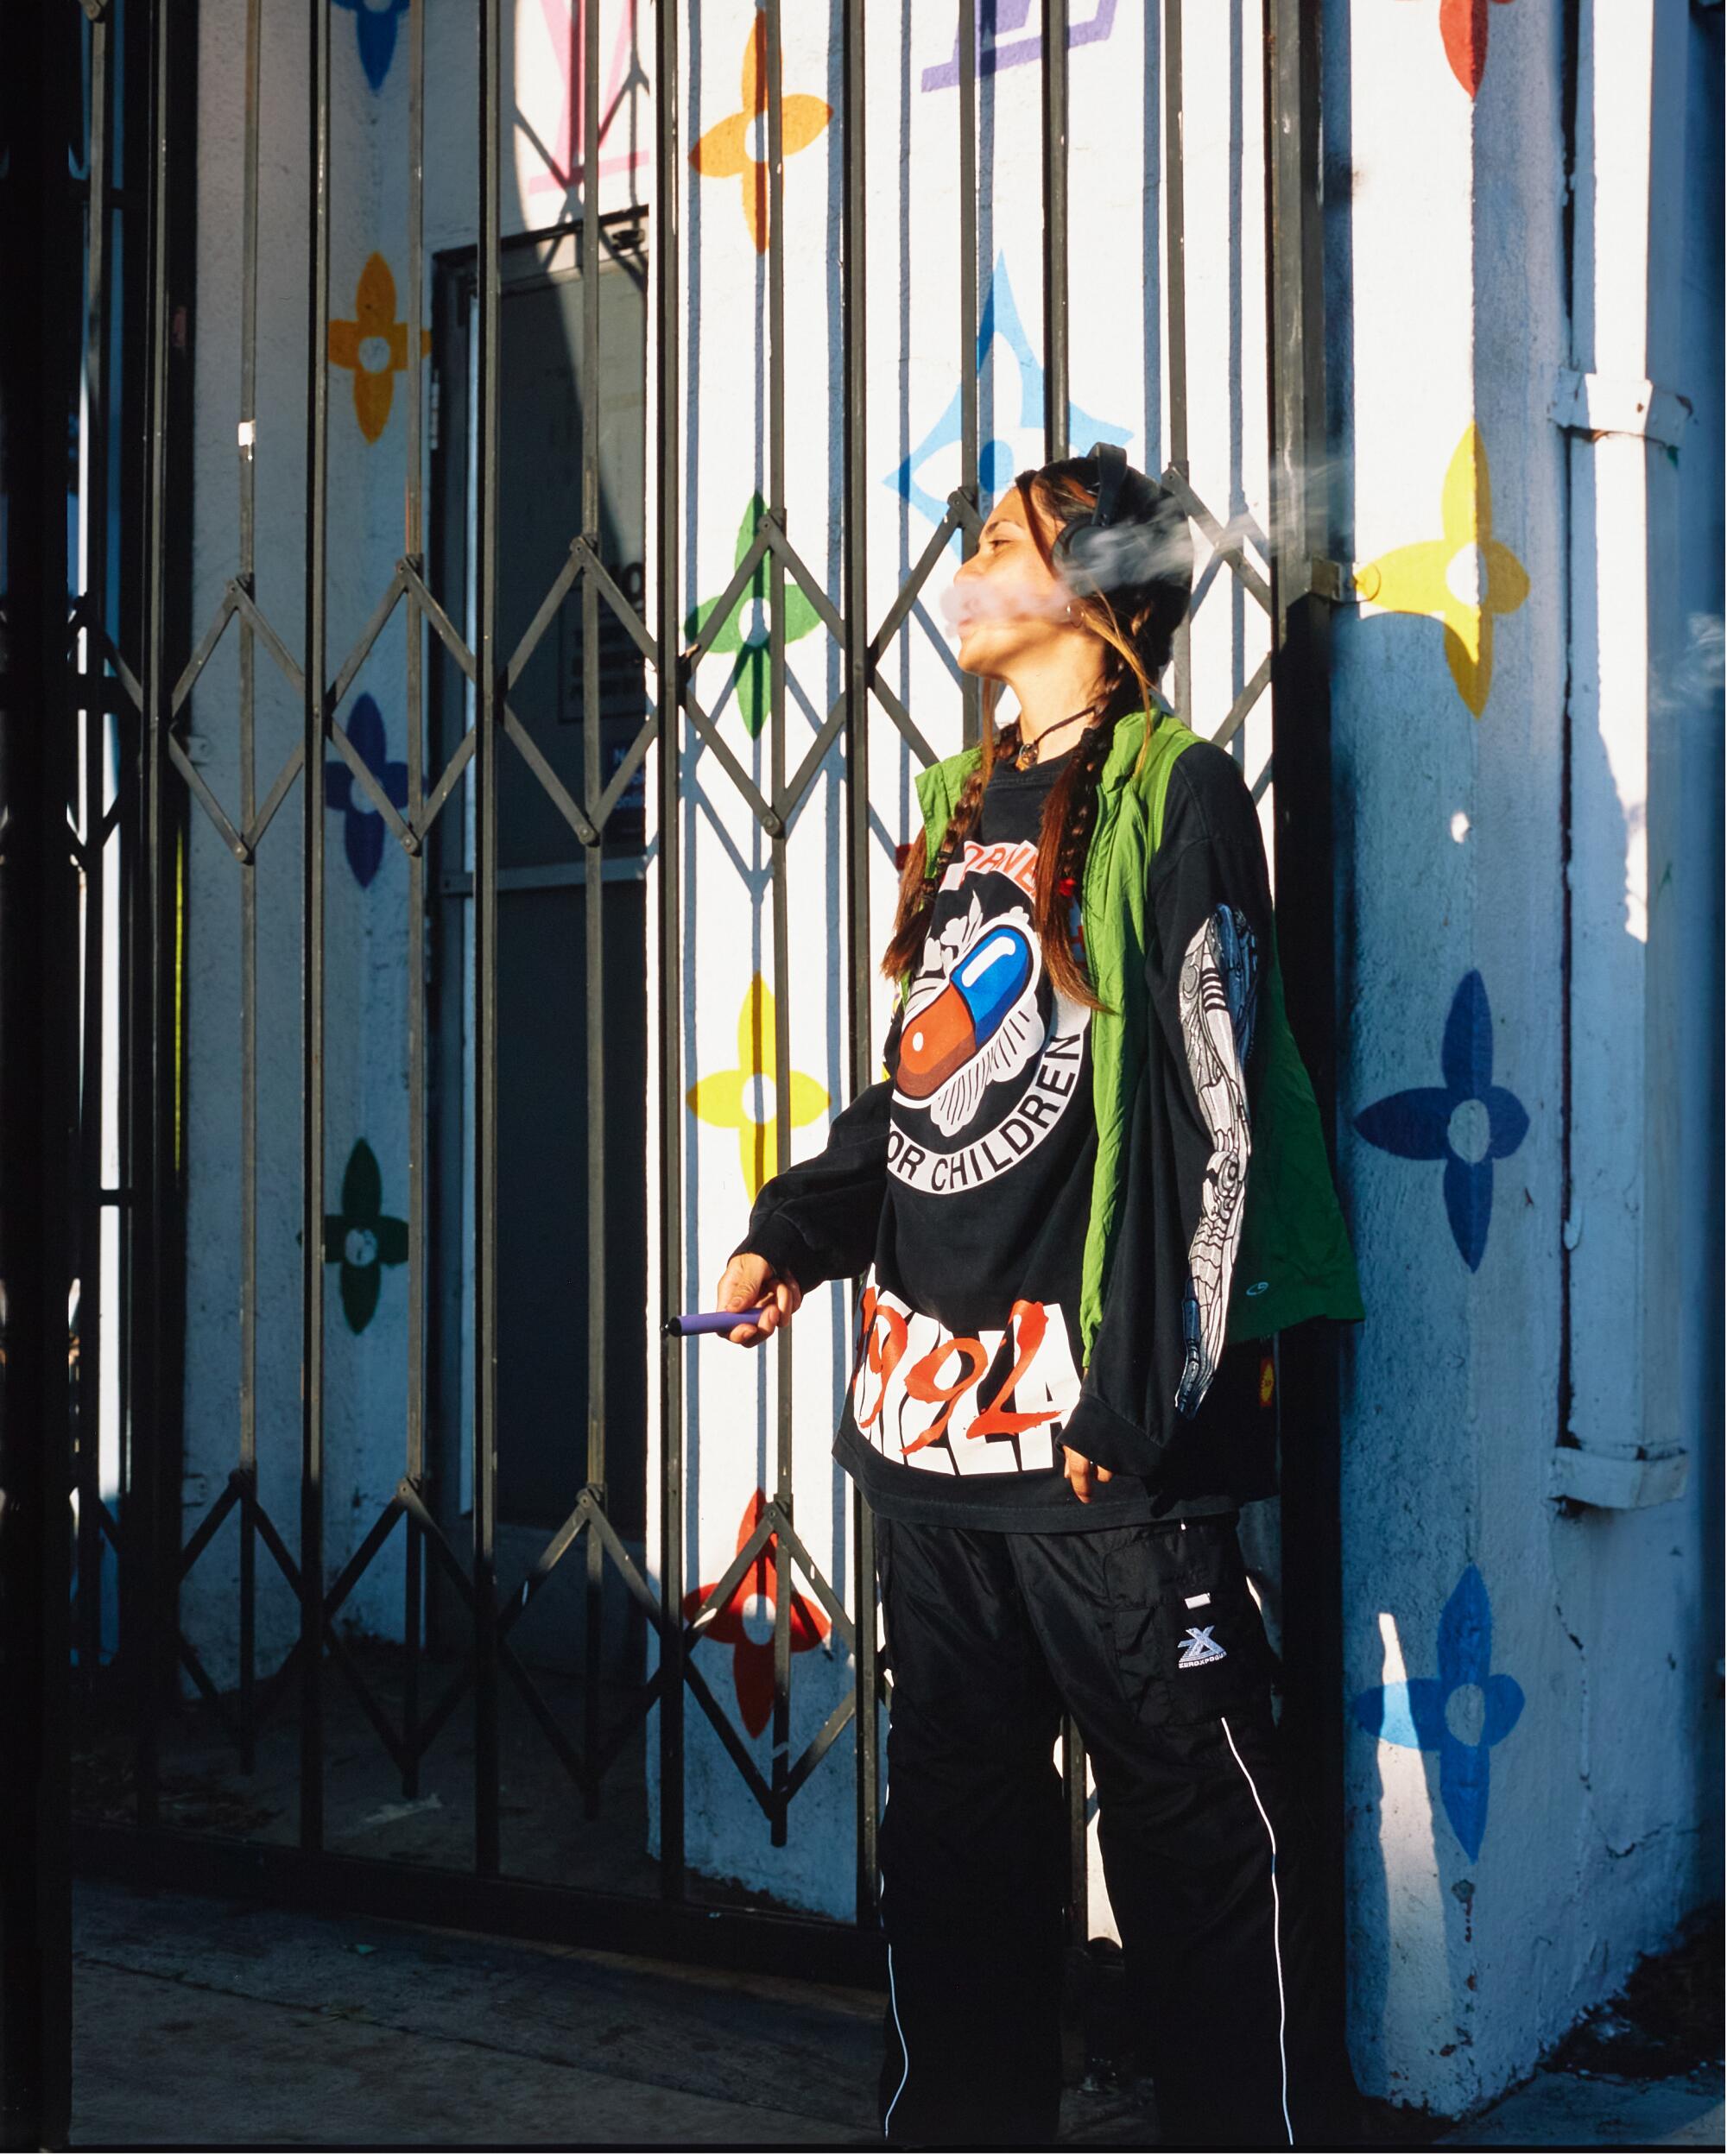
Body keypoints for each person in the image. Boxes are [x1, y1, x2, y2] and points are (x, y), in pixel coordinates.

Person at [713, 446, 1366, 2150]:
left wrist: (1139, 1394)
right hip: (922, 1434)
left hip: (1092, 1445)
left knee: (1196, 1845)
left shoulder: (1178, 788)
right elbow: (926, 1103)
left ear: (1096, 598)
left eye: (1001, 543)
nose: (967, 562)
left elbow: (1214, 1109)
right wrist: (795, 1226)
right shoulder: (961, 803)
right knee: (954, 1842)